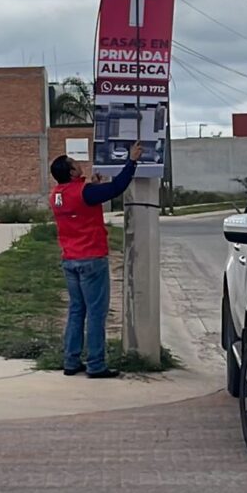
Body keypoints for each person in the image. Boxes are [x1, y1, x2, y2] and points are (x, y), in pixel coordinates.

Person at [50, 140, 142, 378]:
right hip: (91, 258)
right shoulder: (85, 192)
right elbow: (117, 188)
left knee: (76, 311)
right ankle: (96, 364)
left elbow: (81, 203)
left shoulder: (57, 195)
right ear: (71, 172)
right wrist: (131, 160)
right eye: (75, 164)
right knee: (96, 313)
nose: (79, 165)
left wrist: (92, 186)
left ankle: (71, 361)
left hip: (70, 259)